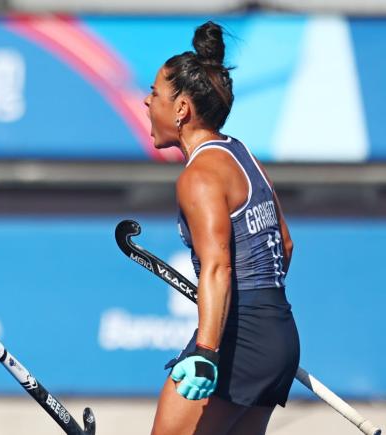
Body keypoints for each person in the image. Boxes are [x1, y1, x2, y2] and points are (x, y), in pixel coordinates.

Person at [143, 21, 300, 435]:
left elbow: (218, 268)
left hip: (235, 340)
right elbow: (283, 245)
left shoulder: (199, 177)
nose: (147, 101)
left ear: (181, 109)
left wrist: (209, 352)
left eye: (156, 93)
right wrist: (258, 314)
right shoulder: (241, 154)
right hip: (277, 331)